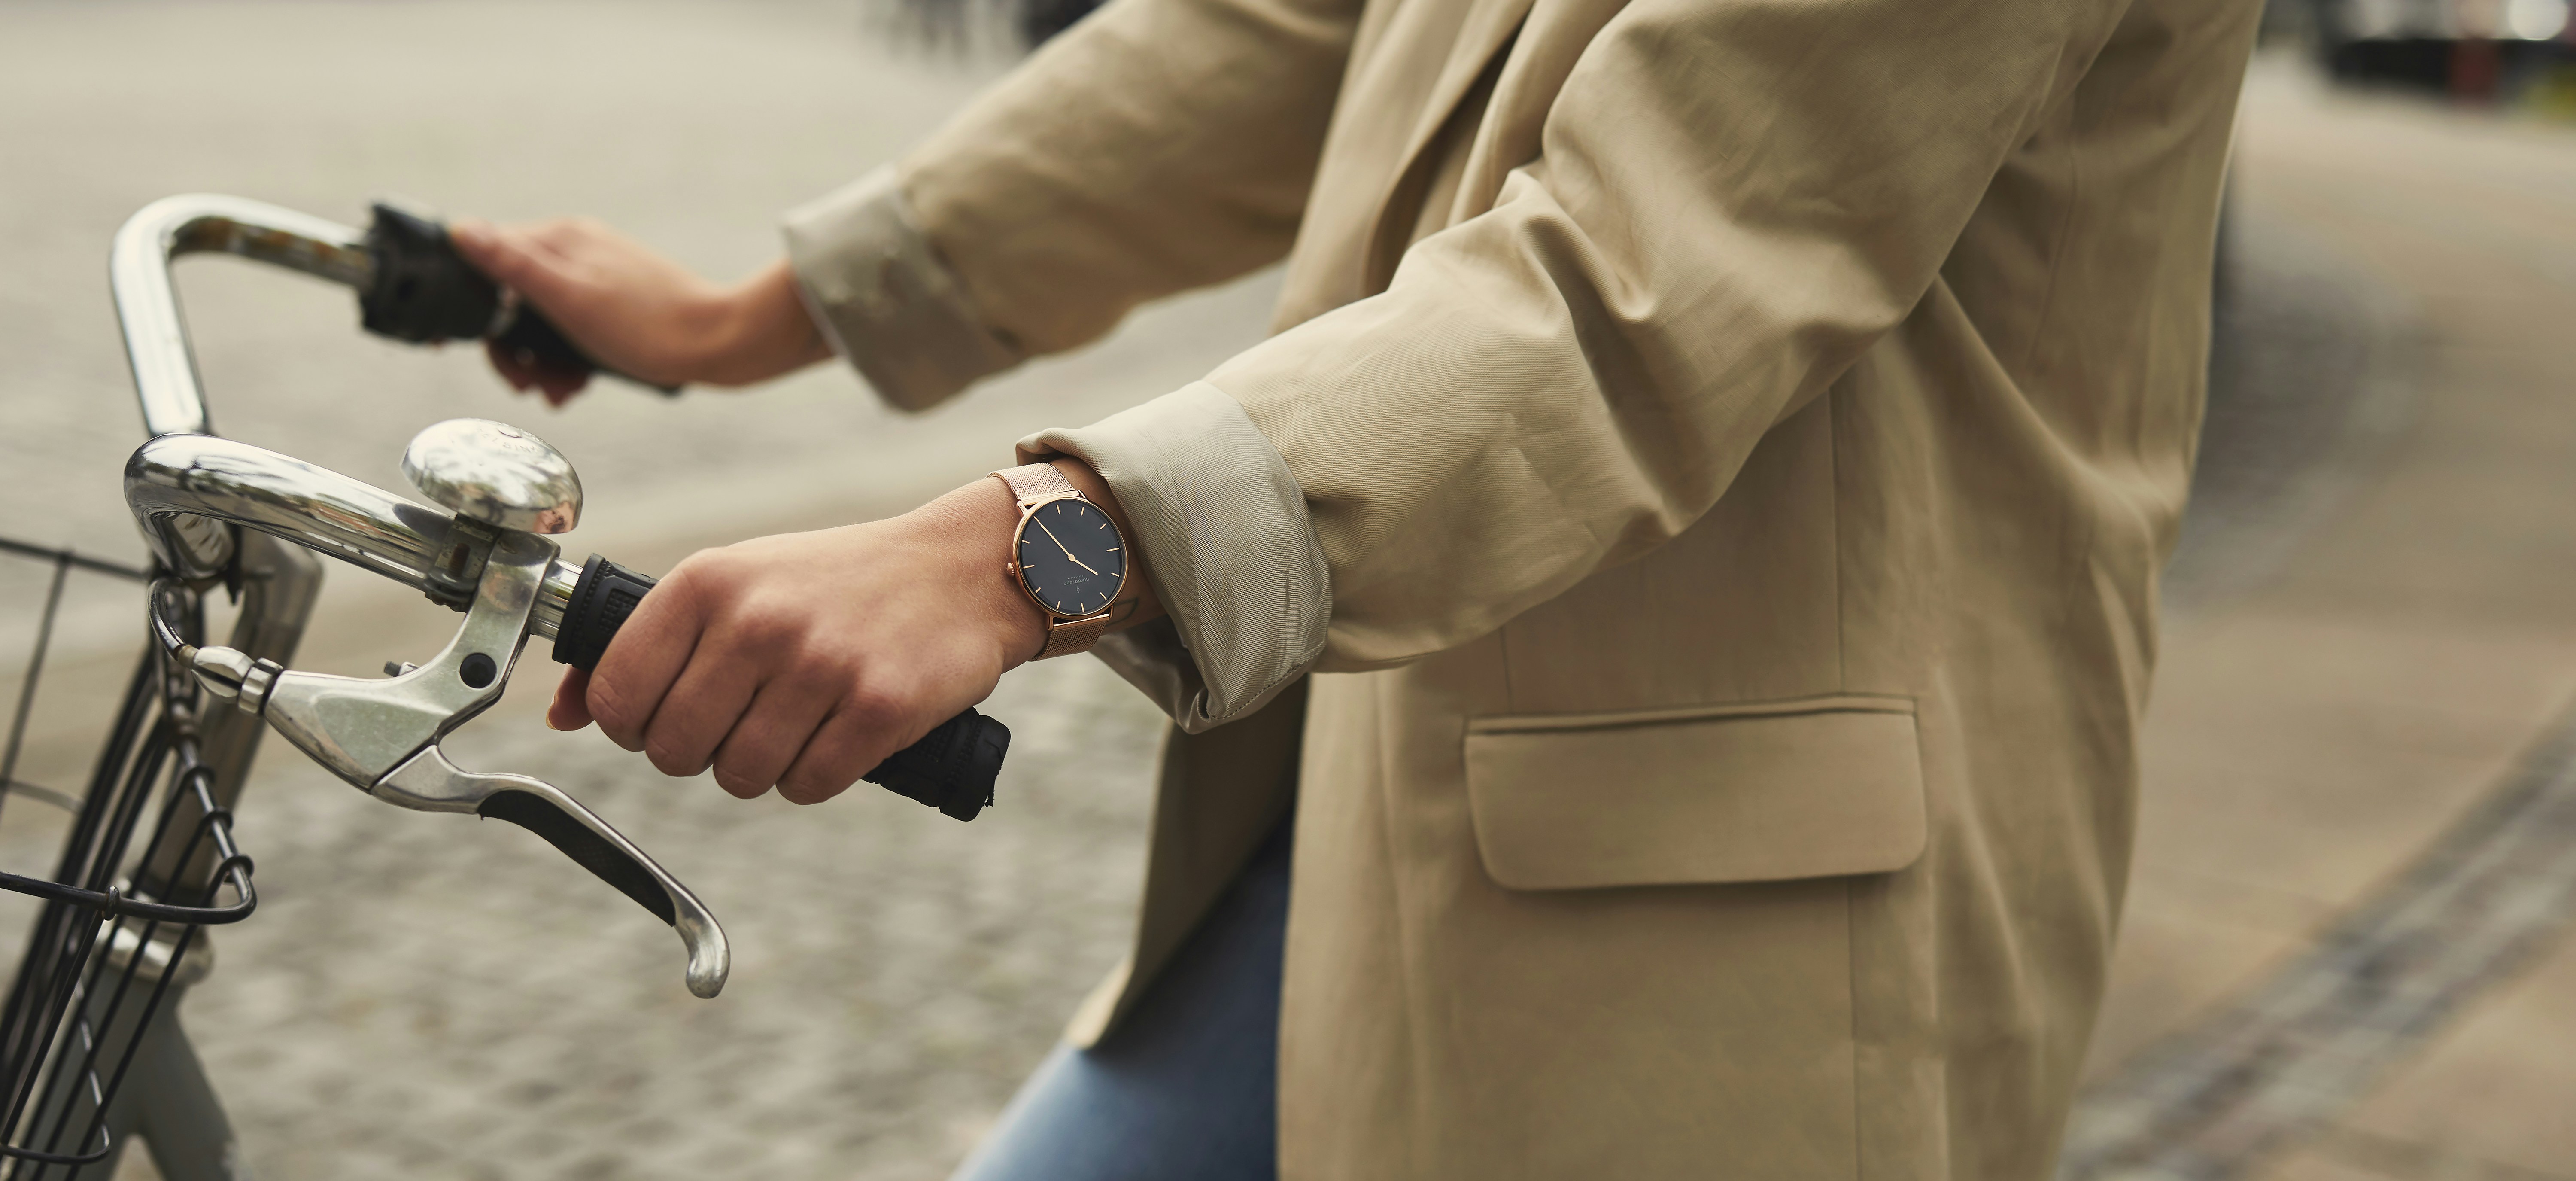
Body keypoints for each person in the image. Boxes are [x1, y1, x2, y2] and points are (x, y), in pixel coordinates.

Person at [448, 0, 2263, 1171]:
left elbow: (1637, 277)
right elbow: (1287, 35)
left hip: (1734, 914)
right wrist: (746, 316)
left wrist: (1024, 548)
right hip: (1384, 814)